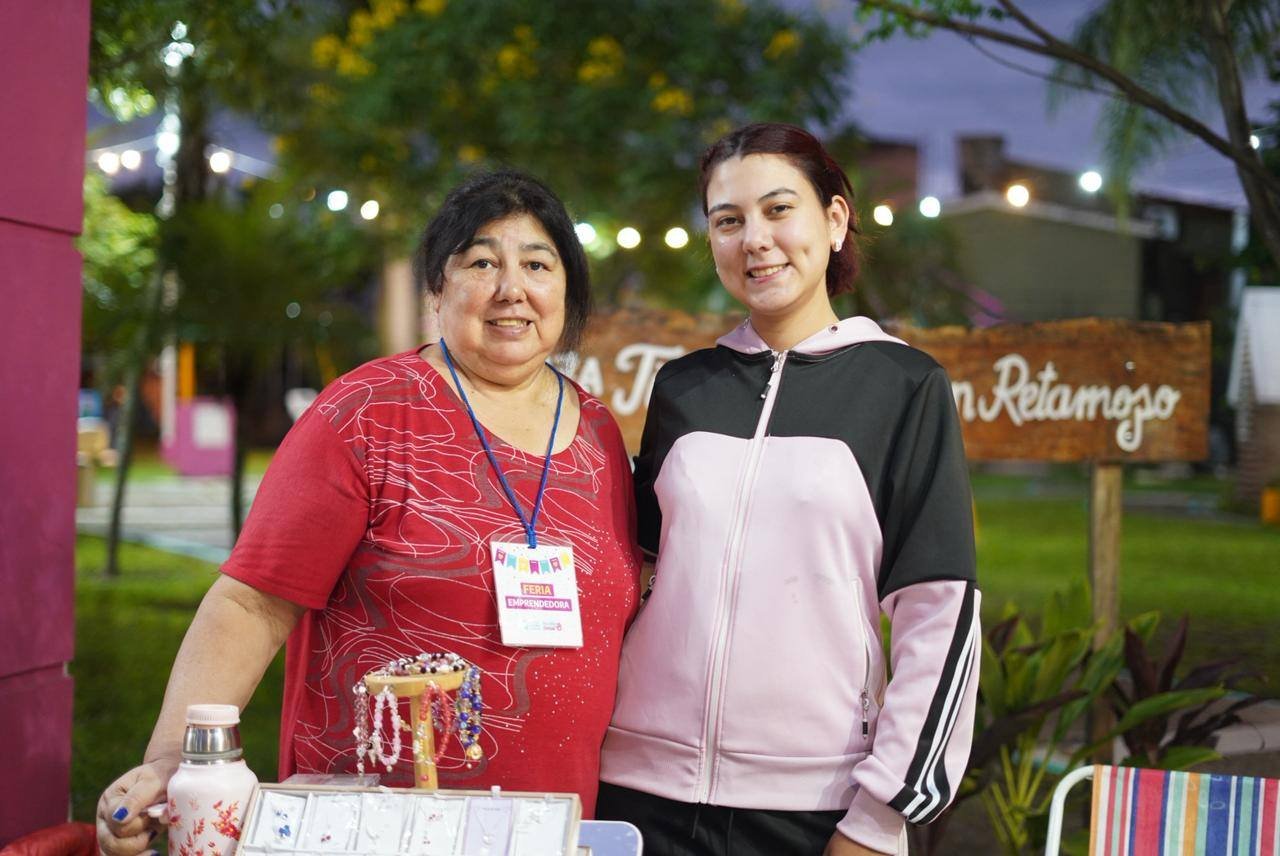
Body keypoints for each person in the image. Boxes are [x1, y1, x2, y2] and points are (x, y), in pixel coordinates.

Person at [97, 170, 641, 855]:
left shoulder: (598, 432)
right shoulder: (367, 414)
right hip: (373, 829)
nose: (512, 289)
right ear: (436, 288)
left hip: (548, 830)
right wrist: (174, 762)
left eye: (538, 264)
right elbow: (251, 605)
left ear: (568, 290)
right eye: (482, 263)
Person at [597, 123, 980, 856]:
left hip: (812, 806)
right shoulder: (683, 387)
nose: (755, 240)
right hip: (640, 791)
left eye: (778, 210)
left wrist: (880, 816)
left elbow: (940, 612)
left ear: (834, 221)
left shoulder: (902, 385)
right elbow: (635, 574)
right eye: (728, 220)